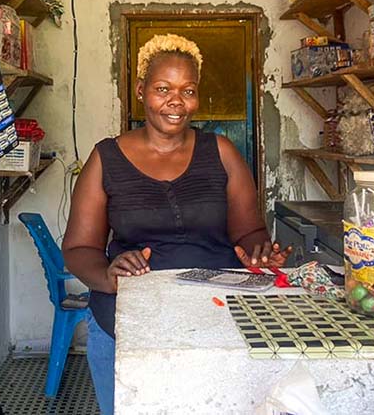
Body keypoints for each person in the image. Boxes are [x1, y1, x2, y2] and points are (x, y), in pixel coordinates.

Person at [62, 33, 292, 415]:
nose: (176, 102)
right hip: (130, 314)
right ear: (141, 91)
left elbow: (250, 232)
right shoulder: (106, 158)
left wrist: (259, 253)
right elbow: (78, 249)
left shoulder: (221, 152)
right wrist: (108, 276)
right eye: (162, 88)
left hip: (217, 312)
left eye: (188, 90)